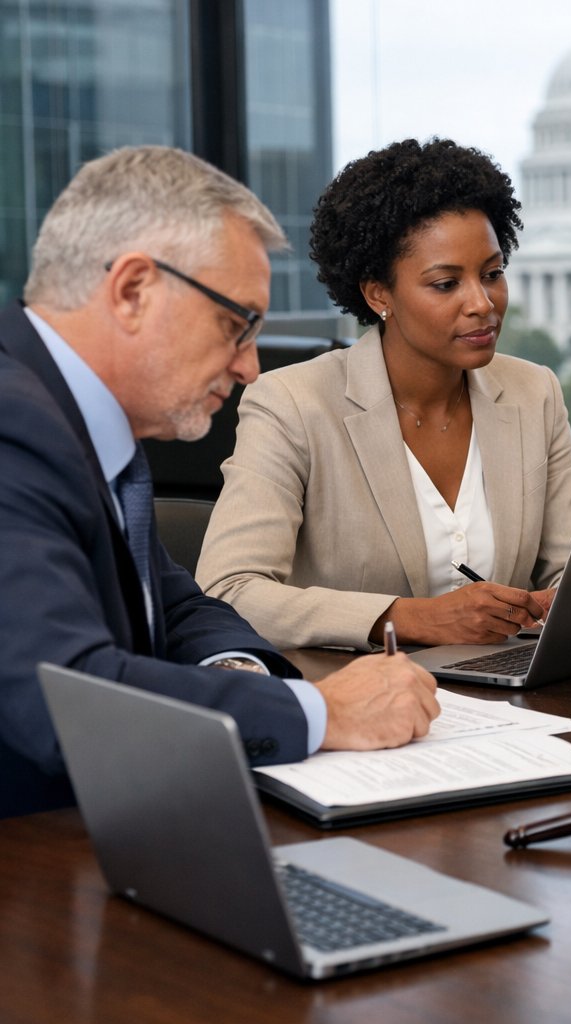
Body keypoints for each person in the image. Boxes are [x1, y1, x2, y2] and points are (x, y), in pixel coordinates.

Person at [0, 146, 440, 818]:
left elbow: (174, 607)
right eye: (237, 324)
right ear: (133, 290)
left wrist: (234, 672)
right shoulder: (15, 427)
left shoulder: (76, 416)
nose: (250, 369)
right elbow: (65, 696)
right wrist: (319, 712)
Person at [197, 138, 571, 651]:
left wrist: (564, 602)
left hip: (507, 695)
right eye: (446, 284)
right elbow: (229, 591)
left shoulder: (532, 391)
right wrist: (411, 619)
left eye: (493, 275)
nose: (482, 303)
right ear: (378, 294)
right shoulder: (291, 404)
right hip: (354, 699)